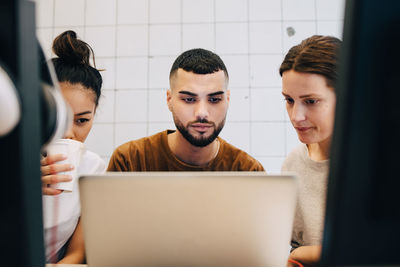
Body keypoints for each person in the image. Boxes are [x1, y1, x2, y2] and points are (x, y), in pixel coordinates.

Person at [108, 48, 264, 172]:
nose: (202, 113)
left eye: (214, 100)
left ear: (227, 100)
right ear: (169, 100)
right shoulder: (130, 162)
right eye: (189, 100)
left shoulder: (248, 172)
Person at [40, 30, 106, 263]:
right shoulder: (9, 160)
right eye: (58, 117)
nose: (68, 132)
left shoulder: (93, 169)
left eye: (82, 120)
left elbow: (77, 253)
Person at [279, 35, 341, 266]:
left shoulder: (384, 162)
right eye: (289, 100)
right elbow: (295, 246)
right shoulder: (293, 162)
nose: (296, 116)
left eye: (311, 101)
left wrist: (300, 254)